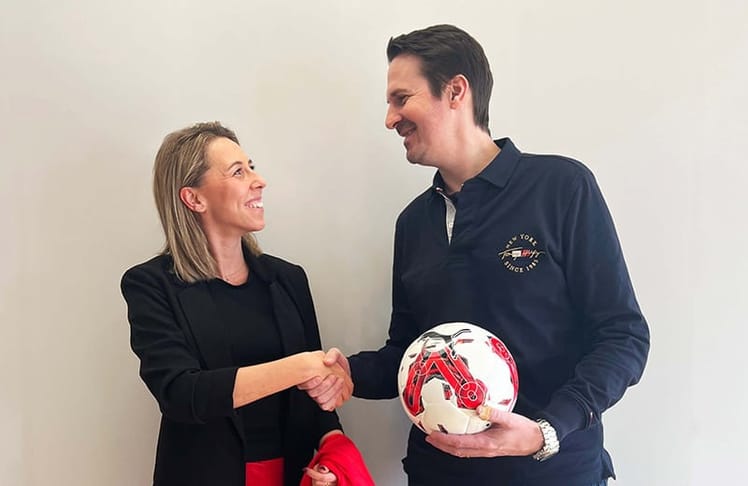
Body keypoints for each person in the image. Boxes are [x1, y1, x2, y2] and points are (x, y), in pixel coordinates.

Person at [300, 24, 650, 485]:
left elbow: (623, 336)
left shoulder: (561, 188)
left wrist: (546, 431)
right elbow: (409, 352)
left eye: (401, 99)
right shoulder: (413, 223)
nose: (389, 119)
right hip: (438, 474)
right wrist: (351, 373)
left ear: (455, 91)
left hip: (553, 473)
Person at [121, 122, 367, 486]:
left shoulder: (288, 279)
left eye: (251, 167)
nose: (259, 181)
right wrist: (300, 367)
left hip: (291, 475)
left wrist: (332, 451)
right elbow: (181, 394)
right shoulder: (151, 284)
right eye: (238, 172)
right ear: (194, 199)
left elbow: (315, 399)